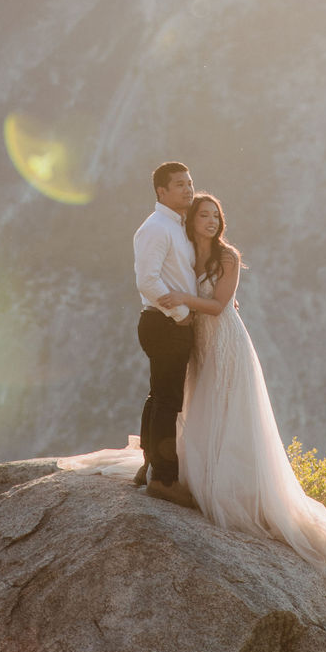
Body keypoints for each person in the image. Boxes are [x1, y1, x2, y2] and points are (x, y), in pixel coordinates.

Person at [158, 193, 326, 582]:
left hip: (226, 343)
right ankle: (202, 475)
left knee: (230, 410)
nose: (212, 221)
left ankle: (235, 489)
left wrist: (183, 297)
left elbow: (218, 306)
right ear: (191, 221)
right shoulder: (185, 251)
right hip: (199, 342)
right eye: (204, 215)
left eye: (216, 215)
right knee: (202, 406)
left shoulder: (228, 256)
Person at [131, 160, 199, 507]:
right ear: (161, 192)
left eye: (189, 183)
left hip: (166, 321)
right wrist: (182, 313)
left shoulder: (175, 225)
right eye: (179, 185)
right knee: (168, 400)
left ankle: (148, 465)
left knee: (159, 395)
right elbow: (147, 280)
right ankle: (165, 479)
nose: (188, 189)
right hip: (163, 321)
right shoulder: (156, 227)